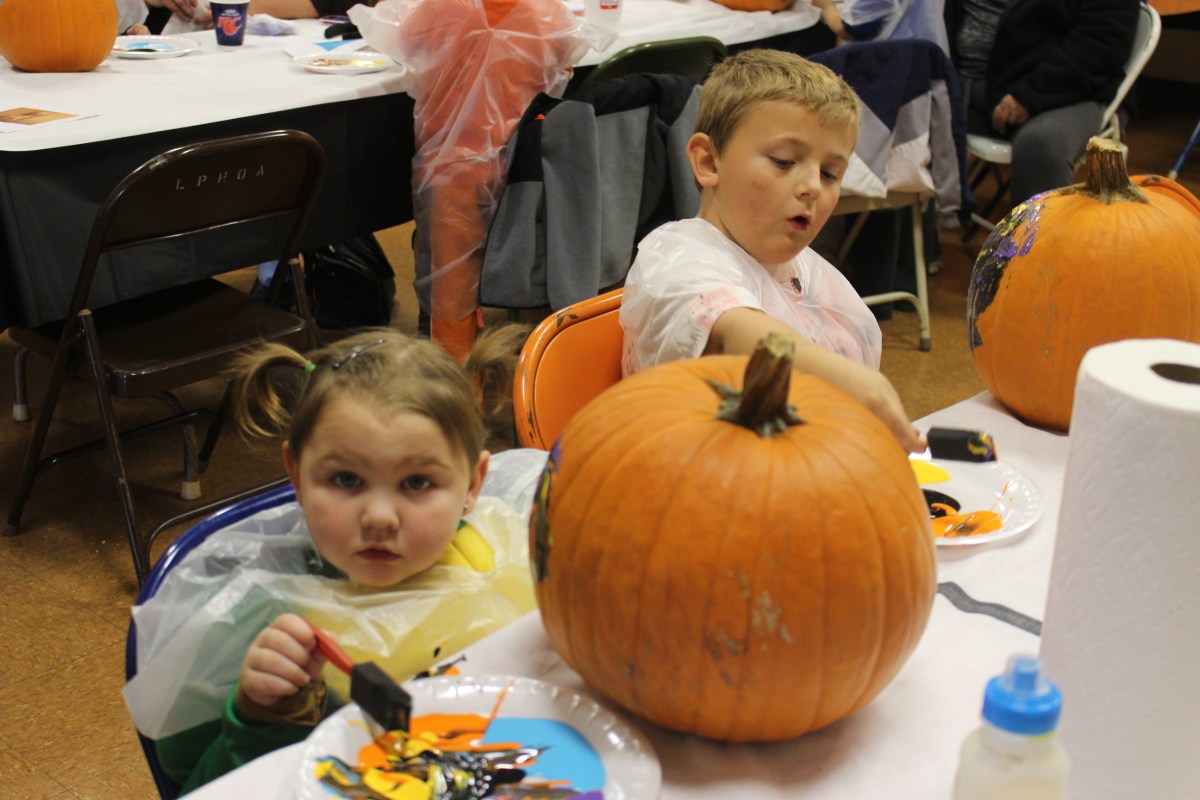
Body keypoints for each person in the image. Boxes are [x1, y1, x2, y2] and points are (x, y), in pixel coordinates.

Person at [123, 329, 539, 794]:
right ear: (296, 475)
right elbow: (199, 786)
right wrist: (260, 715)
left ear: (473, 484)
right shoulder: (256, 616)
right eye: (346, 479)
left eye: (417, 483)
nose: (379, 517)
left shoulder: (504, 557)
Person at [620, 49, 922, 453]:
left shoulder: (808, 271)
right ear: (709, 162)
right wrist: (859, 386)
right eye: (783, 162)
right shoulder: (677, 259)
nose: (812, 187)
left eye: (830, 173)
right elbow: (736, 332)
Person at [947, 0, 1140, 206]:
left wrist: (1029, 95)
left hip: (1065, 89)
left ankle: (1040, 227)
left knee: (1041, 147)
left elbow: (1100, 45)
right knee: (921, 112)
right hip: (962, 78)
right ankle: (930, 223)